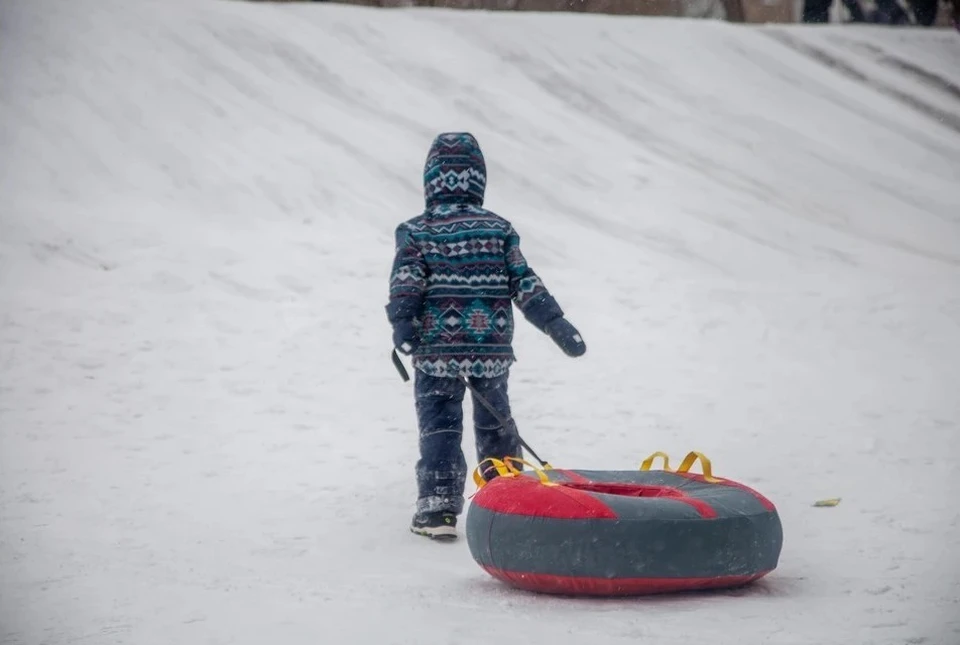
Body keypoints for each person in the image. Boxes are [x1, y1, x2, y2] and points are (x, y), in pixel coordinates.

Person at [386, 132, 586, 540]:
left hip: (437, 349)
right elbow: (525, 282)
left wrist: (404, 323)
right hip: (489, 348)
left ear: (430, 180)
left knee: (440, 427)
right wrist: (554, 322)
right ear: (479, 180)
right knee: (497, 423)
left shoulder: (416, 231)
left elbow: (407, 281)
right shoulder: (499, 229)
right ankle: (507, 503)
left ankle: (437, 509)